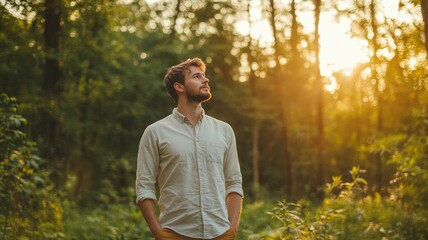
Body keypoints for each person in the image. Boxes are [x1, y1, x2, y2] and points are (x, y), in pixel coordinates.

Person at [135, 57, 244, 240]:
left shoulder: (224, 130)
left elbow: (234, 182)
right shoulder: (155, 132)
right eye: (197, 76)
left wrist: (232, 229)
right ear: (179, 87)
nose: (205, 80)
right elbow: (144, 187)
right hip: (174, 233)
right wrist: (158, 233)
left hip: (220, 233)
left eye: (204, 75)